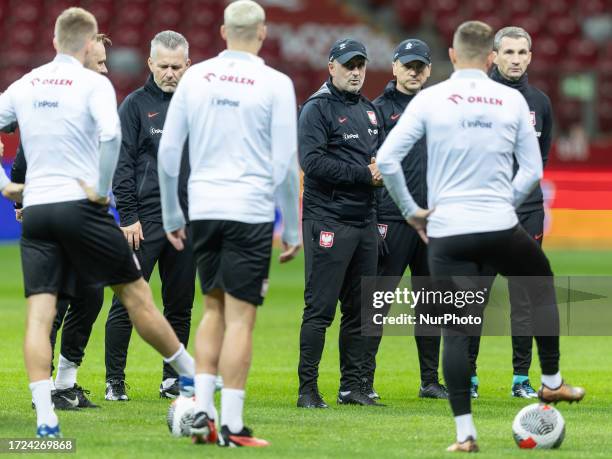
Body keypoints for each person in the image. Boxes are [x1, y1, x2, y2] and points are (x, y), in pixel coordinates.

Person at [376, 20, 584, 452]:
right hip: (497, 223)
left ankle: (465, 434)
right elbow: (533, 170)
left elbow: (388, 159)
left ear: (452, 56)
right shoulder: (511, 101)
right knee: (540, 282)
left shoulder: (431, 99)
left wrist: (412, 211)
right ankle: (550, 381)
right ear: (490, 57)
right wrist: (504, 202)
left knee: (455, 325)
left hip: (448, 230)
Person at [0, 7, 195, 438]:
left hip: (37, 213)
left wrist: (6, 186)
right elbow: (112, 138)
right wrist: (102, 190)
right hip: (79, 206)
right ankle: (190, 374)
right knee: (136, 295)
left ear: (54, 40)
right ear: (88, 43)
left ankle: (45, 414)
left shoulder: (25, 83)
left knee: (40, 314)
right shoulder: (94, 85)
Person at [158, 0, 300, 447]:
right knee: (241, 318)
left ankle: (203, 413)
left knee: (212, 308)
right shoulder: (276, 83)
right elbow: (283, 164)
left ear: (222, 31)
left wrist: (171, 214)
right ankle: (234, 426)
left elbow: (167, 154)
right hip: (249, 210)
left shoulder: (195, 76)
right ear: (262, 32)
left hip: (203, 208)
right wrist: (292, 227)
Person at [8, 32, 112, 411]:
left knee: (91, 294)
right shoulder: (54, 97)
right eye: (99, 62)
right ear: (81, 58)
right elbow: (28, 151)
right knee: (54, 302)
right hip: (56, 211)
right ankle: (45, 388)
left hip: (86, 214)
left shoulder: (95, 98)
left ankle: (65, 382)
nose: (105, 69)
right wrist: (19, 190)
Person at [106, 30, 196, 401]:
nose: (171, 73)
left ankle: (172, 380)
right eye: (164, 66)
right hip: (143, 221)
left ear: (188, 65)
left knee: (180, 305)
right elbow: (121, 164)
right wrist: (128, 216)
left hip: (187, 222)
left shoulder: (197, 107)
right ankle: (115, 380)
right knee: (127, 301)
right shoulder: (135, 106)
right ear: (150, 64)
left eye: (177, 66)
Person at [467, 26, 554, 400]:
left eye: (522, 53)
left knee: (524, 296)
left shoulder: (540, 103)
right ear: (494, 56)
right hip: (482, 211)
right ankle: (467, 376)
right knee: (474, 296)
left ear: (530, 57)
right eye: (509, 53)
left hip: (527, 212)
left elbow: (541, 158)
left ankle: (521, 378)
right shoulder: (474, 99)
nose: (516, 60)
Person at [297, 37, 384, 408]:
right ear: (331, 66)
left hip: (364, 221)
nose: (356, 72)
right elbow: (312, 163)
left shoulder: (368, 111)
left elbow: (379, 166)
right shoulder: (316, 110)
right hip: (328, 220)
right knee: (320, 309)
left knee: (360, 309)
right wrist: (365, 175)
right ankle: (307, 390)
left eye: (360, 65)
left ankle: (353, 388)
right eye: (348, 65)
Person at [366, 38, 448, 400]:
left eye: (420, 66)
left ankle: (430, 381)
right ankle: (361, 381)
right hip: (391, 218)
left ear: (429, 70)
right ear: (395, 67)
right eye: (408, 65)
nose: (414, 72)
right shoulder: (377, 111)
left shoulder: (441, 109)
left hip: (433, 220)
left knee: (432, 305)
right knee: (376, 303)